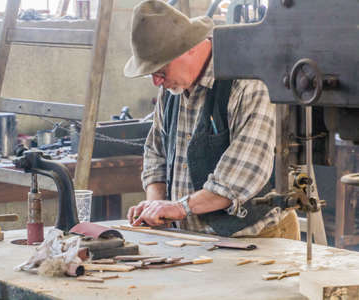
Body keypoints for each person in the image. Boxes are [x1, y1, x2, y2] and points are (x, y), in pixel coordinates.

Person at [123, 0, 299, 239]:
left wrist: (179, 207)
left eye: (160, 71)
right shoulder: (171, 88)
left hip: (256, 239)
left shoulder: (247, 82)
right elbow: (156, 153)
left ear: (189, 48)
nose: (157, 82)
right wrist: (155, 207)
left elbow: (243, 173)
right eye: (152, 74)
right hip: (193, 240)